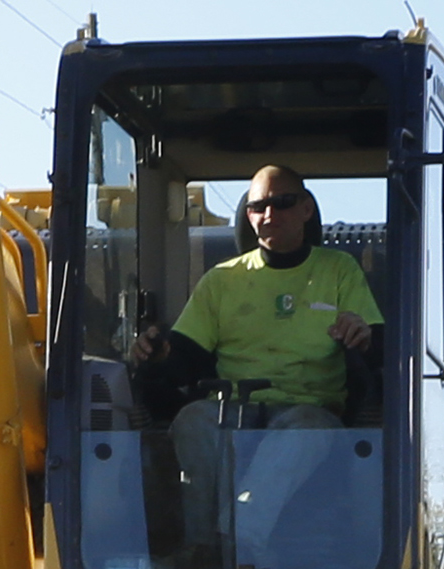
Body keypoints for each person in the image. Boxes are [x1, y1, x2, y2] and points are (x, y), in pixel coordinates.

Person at [136, 167, 386, 424]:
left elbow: (378, 350)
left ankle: (244, 467)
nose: (269, 214)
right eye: (258, 206)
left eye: (282, 203)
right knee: (192, 419)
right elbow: (183, 359)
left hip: (310, 410)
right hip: (231, 410)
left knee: (305, 427)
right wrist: (156, 355)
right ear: (248, 215)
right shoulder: (220, 279)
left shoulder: (339, 269)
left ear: (306, 210)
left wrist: (362, 337)